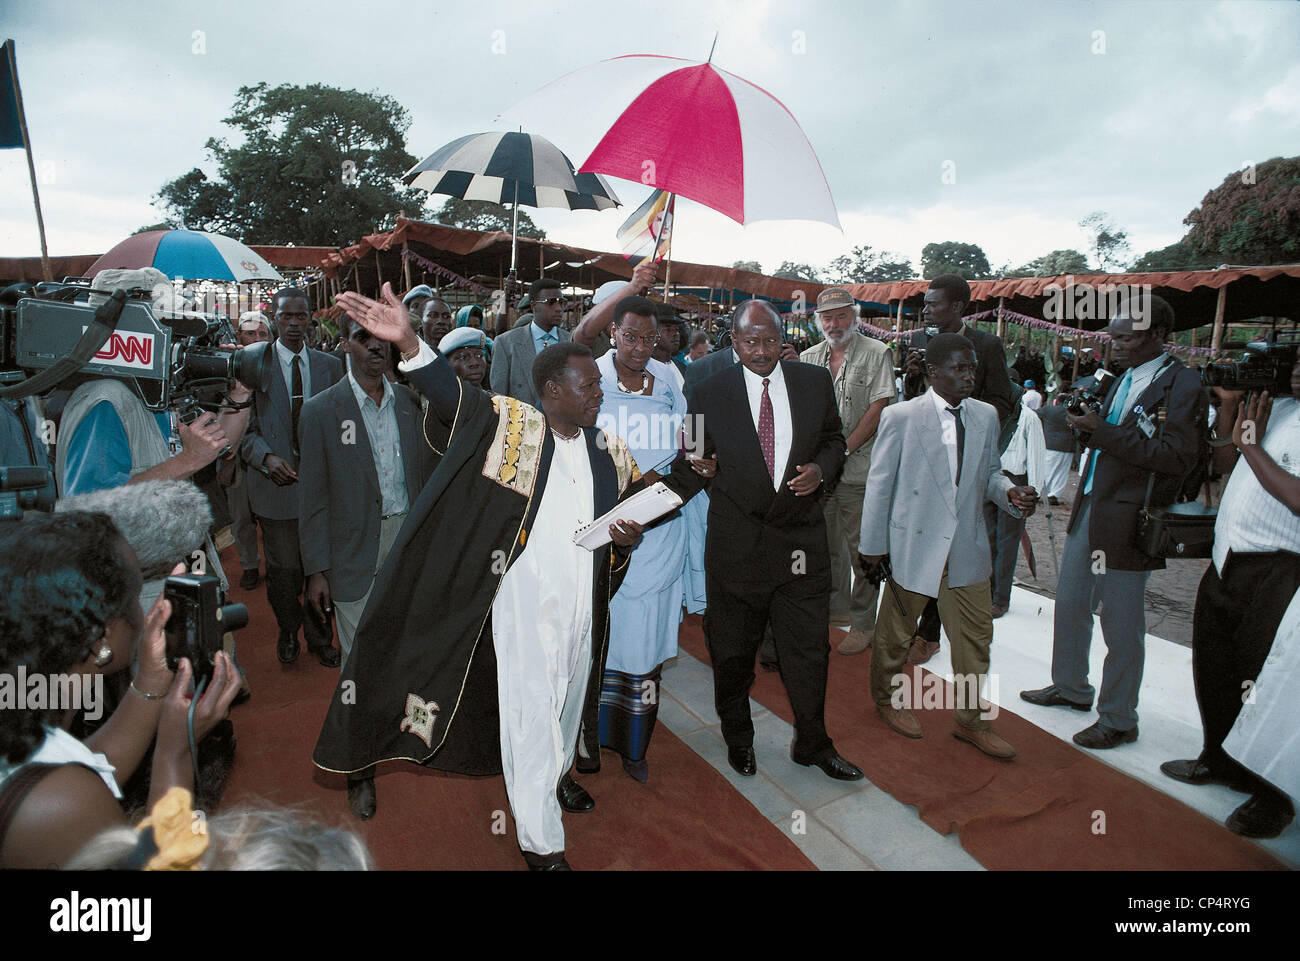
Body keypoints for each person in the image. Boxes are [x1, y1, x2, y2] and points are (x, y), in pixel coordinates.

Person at [313, 283, 646, 871]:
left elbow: (630, 513)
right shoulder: (514, 427)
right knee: (530, 718)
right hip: (523, 605)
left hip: (584, 606)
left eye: (597, 385)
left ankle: (560, 776)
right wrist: (412, 344)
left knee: (569, 705)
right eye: (588, 385)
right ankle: (542, 845)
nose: (599, 392)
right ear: (551, 391)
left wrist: (632, 533)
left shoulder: (609, 451)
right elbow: (451, 400)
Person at [660, 300, 864, 782]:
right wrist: (690, 471)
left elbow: (835, 442)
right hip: (737, 546)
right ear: (734, 341)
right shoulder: (705, 390)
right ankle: (739, 738)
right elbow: (690, 457)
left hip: (800, 546)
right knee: (732, 652)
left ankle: (813, 743)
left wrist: (821, 470)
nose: (761, 351)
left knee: (809, 650)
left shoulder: (813, 383)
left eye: (770, 340)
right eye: (750, 342)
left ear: (782, 337)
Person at [0, 511, 241, 869]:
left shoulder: (22, 708)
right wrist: (176, 753)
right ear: (100, 639)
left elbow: (85, 764)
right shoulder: (64, 806)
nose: (142, 607)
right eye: (133, 593)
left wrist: (151, 679)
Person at [1020, 296, 1204, 749]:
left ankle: (1120, 717)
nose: (1114, 344)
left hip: (1129, 518)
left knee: (1121, 623)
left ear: (1158, 336)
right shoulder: (1121, 376)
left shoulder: (1182, 385)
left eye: (1125, 337)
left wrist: (1100, 431)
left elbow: (1178, 458)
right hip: (1091, 505)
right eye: (1112, 335)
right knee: (1070, 603)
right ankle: (1071, 687)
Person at [858, 333, 1036, 758]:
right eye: (959, 368)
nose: (969, 376)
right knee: (895, 636)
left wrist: (1009, 493)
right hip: (912, 547)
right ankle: (887, 700)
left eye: (972, 368)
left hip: (966, 549)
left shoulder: (986, 416)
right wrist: (872, 546)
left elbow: (989, 473)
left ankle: (972, 722)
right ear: (934, 372)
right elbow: (879, 485)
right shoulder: (901, 417)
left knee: (976, 639)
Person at [297, 311, 438, 819]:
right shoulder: (320, 412)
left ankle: (405, 740)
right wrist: (316, 568)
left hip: (408, 542)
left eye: (383, 341)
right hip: (351, 551)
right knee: (358, 663)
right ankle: (359, 769)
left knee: (403, 650)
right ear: (346, 347)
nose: (376, 348)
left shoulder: (411, 402)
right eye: (364, 339)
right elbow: (311, 496)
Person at [1160, 362, 1300, 838]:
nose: (1297, 371)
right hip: (1229, 558)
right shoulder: (1273, 406)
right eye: (1294, 362)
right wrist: (1230, 408)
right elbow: (1224, 465)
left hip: (1281, 566)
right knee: (1216, 667)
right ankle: (1220, 759)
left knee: (1266, 685)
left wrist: (1252, 446)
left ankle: (1273, 797)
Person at [588, 296, 693, 783]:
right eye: (630, 336)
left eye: (649, 339)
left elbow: (690, 439)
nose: (639, 347)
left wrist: (693, 465)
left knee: (646, 639)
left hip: (663, 527)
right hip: (607, 525)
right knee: (599, 632)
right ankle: (588, 737)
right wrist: (632, 478)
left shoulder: (670, 379)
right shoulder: (591, 377)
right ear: (612, 332)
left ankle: (635, 744)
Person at [899, 274, 1016, 666]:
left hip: (966, 469)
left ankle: (929, 634)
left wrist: (967, 425)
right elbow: (914, 406)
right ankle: (911, 624)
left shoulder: (987, 346)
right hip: (923, 466)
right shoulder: (919, 343)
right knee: (923, 543)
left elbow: (1003, 400)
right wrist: (914, 376)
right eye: (926, 303)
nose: (926, 309)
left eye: (933, 303)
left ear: (958, 308)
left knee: (956, 548)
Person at [241, 287, 345, 668]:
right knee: (284, 573)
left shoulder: (330, 366)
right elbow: (240, 430)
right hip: (274, 490)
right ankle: (288, 630)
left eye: (301, 316)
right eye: (287, 316)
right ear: (275, 319)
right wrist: (265, 458)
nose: (294, 324)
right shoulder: (252, 363)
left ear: (311, 320)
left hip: (322, 490)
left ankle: (320, 637)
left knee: (322, 566)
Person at [799, 288, 895, 655]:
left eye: (841, 316)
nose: (834, 324)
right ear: (819, 321)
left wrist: (841, 450)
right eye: (827, 317)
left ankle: (863, 623)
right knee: (825, 547)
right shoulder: (809, 358)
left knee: (863, 550)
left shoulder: (877, 353)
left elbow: (879, 407)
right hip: (820, 474)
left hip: (859, 471)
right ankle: (834, 610)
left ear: (854, 318)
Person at [987, 398, 1047, 618]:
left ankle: (1000, 599)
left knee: (1007, 542)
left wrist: (1034, 491)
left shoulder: (1028, 417)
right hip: (990, 478)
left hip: (1016, 480)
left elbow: (1037, 456)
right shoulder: (989, 412)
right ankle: (987, 592)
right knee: (988, 539)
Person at [228, 311, 272, 590]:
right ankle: (249, 564)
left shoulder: (277, 367)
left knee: (273, 517)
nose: (257, 339)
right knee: (241, 516)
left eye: (263, 334)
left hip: (270, 456)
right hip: (236, 460)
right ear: (239, 336)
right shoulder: (226, 366)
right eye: (250, 334)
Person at [490, 279, 571, 406]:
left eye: (562, 302)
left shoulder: (571, 342)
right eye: (551, 303)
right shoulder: (506, 343)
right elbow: (499, 398)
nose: (558, 309)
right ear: (534, 307)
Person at [1037, 395, 1076, 505]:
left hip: (1051, 444)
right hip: (1069, 445)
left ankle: (1041, 492)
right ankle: (1054, 494)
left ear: (1056, 401)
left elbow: (1034, 413)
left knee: (1048, 470)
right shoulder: (1072, 412)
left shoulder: (1048, 410)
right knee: (1062, 472)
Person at [439, 327, 493, 393]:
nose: (474, 363)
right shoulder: (437, 400)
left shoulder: (496, 401)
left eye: (479, 355)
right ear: (446, 364)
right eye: (463, 357)